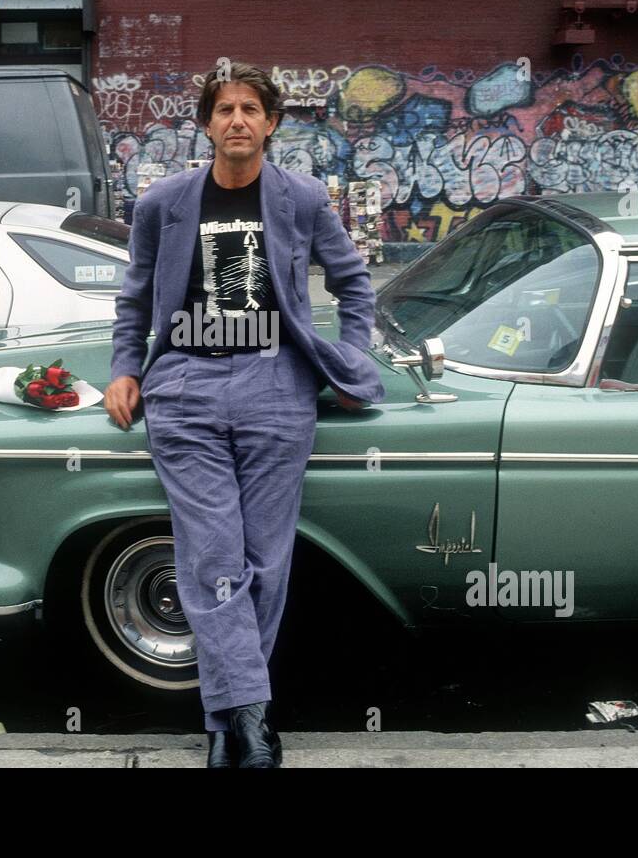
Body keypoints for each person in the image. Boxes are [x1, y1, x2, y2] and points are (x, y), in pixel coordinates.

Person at [104, 59, 385, 768]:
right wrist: (125, 370)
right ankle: (249, 724)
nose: (237, 121)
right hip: (185, 388)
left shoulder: (304, 198)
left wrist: (349, 365)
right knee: (212, 559)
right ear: (206, 124)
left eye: (250, 110)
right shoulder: (163, 203)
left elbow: (356, 286)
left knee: (266, 560)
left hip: (277, 386)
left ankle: (228, 722)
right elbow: (134, 300)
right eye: (224, 109)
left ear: (271, 124)